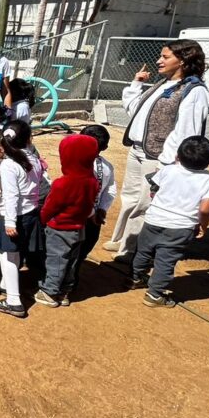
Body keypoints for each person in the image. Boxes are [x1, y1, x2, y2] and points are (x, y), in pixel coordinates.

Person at [106, 40, 209, 262]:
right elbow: (135, 111)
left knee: (145, 203)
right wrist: (136, 84)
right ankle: (122, 239)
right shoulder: (163, 84)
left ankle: (132, 249)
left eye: (165, 57)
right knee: (130, 197)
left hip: (158, 156)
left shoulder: (194, 90)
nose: (158, 61)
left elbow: (187, 130)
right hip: (138, 149)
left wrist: (169, 162)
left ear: (182, 60)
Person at [132, 136, 209, 308]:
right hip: (180, 227)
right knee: (165, 260)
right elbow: (205, 210)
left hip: (153, 219)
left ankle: (136, 277)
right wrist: (203, 225)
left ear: (177, 156)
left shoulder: (168, 170)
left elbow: (154, 190)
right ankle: (154, 295)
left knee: (144, 251)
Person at [34, 134, 100, 308]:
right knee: (71, 261)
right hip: (79, 227)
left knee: (56, 260)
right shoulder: (92, 181)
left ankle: (50, 292)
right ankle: (65, 291)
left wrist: (42, 219)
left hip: (60, 228)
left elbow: (49, 207)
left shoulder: (63, 183)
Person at [0, 121, 45, 319]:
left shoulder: (9, 164)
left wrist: (10, 222)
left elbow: (11, 195)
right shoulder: (33, 159)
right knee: (14, 253)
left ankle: (13, 301)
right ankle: (6, 284)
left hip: (14, 215)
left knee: (7, 256)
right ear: (29, 138)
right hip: (30, 213)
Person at [67, 125, 117, 295]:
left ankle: (64, 287)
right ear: (105, 147)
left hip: (74, 218)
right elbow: (110, 190)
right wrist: (102, 209)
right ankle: (71, 283)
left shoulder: (75, 162)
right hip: (94, 220)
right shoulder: (107, 167)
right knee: (80, 253)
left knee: (68, 253)